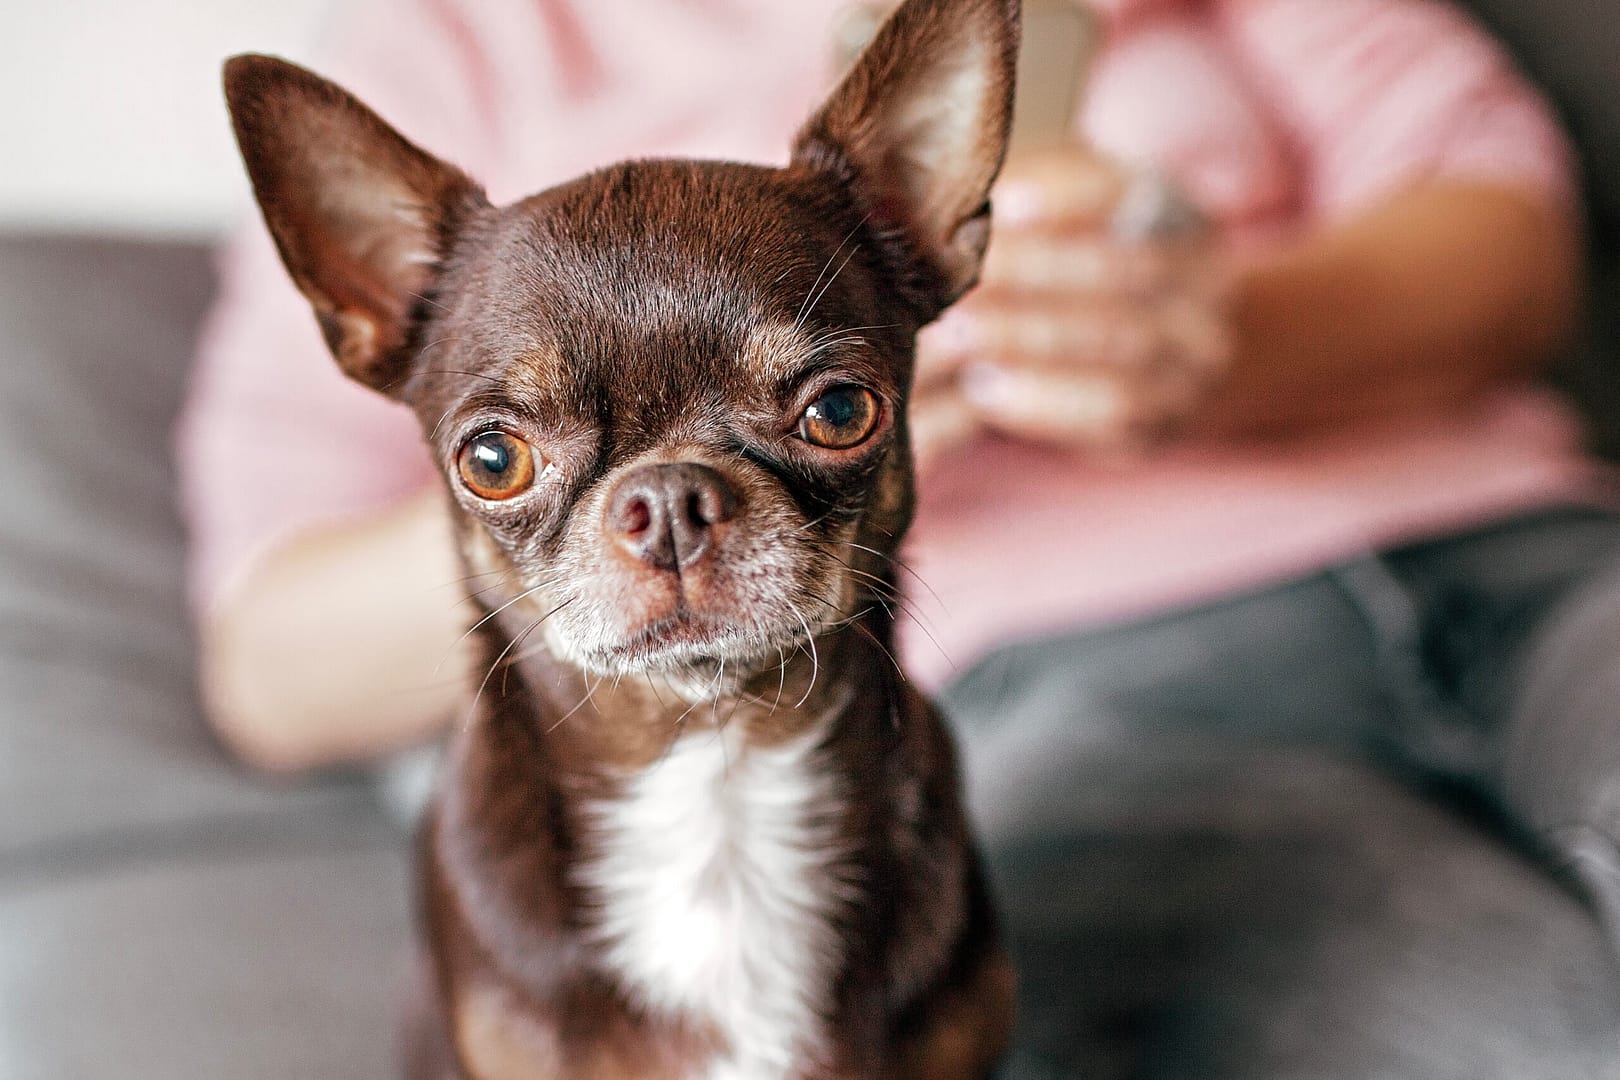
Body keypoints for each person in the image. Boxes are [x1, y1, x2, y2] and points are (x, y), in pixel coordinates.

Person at [181, 0, 1617, 1071]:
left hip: (1524, 553)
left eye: (829, 406)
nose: (674, 510)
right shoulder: (451, 40)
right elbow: (272, 658)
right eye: (503, 452)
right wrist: (620, 522)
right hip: (1097, 680)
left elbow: (1512, 219)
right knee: (1543, 1038)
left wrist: (1227, 333)